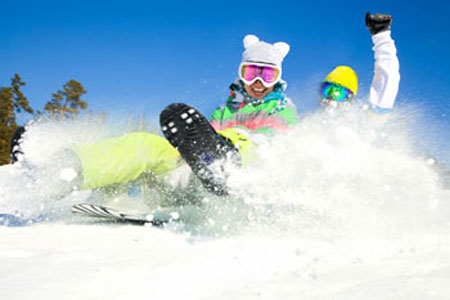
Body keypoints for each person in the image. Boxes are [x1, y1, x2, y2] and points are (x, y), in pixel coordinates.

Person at [40, 34, 299, 197]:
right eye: (251, 71)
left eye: (267, 74)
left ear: (277, 79)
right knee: (146, 144)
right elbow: (195, 142)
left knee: (244, 139)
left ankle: (221, 160)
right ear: (240, 73)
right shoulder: (224, 110)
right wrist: (185, 150)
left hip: (241, 177)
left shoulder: (282, 109)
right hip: (194, 176)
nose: (257, 81)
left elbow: (277, 149)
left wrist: (226, 144)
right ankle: (68, 169)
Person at [318, 12, 400, 117]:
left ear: (350, 98)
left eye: (339, 94)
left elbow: (388, 79)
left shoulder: (365, 123)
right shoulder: (309, 123)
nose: (330, 98)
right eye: (327, 90)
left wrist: (381, 36)